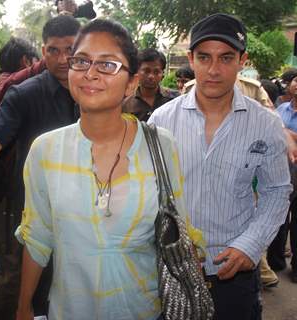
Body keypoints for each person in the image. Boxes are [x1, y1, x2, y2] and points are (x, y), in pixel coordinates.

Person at [14, 18, 201, 320]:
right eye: (81, 61)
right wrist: (23, 308)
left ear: (131, 82)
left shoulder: (161, 146)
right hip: (70, 309)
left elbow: (181, 229)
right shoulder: (45, 151)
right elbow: (37, 237)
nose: (90, 73)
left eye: (107, 65)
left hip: (145, 310)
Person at [148, 13, 291, 320]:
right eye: (204, 57)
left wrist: (250, 245)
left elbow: (277, 191)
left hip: (235, 275)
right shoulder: (161, 121)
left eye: (226, 58)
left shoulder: (265, 125)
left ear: (243, 60)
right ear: (191, 59)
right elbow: (147, 192)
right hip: (173, 273)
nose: (214, 70)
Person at [0, 15, 80, 319]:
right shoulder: (24, 94)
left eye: (70, 49)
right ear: (42, 51)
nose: (61, 58)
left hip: (84, 211)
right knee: (20, 284)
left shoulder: (96, 91)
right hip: (31, 211)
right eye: (52, 50)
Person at [267, 71, 297, 283]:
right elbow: (272, 133)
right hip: (282, 171)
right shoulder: (280, 108)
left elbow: (278, 131)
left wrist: (285, 132)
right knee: (278, 218)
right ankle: (276, 261)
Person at [122, 48, 178, 121]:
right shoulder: (126, 105)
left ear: (162, 74)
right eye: (146, 71)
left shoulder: (174, 99)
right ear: (137, 72)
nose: (151, 76)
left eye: (156, 72)